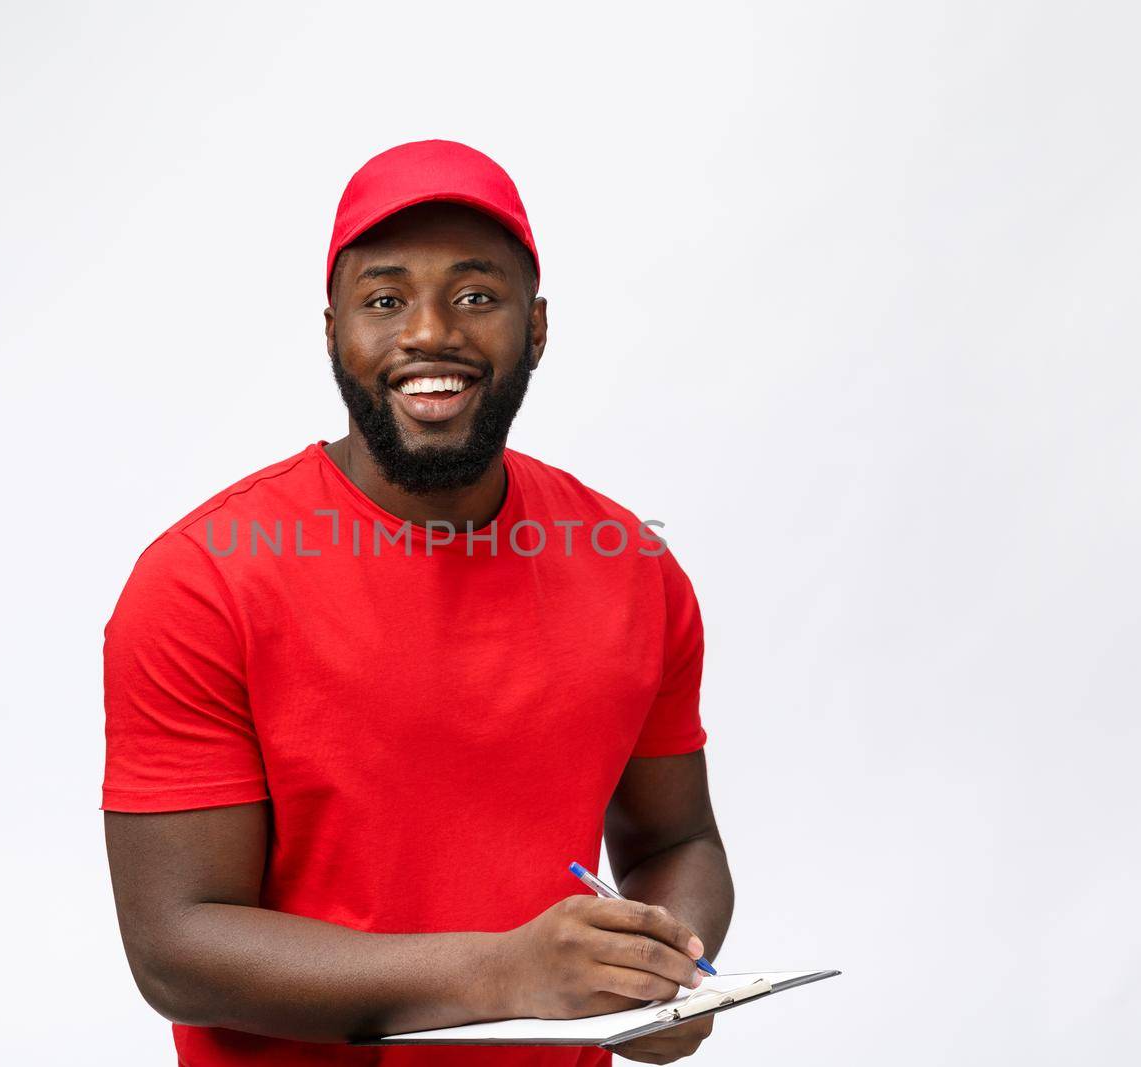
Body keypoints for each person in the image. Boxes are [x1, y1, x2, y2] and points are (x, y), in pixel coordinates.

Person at [102, 139, 734, 1066]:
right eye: (385, 299)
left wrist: (664, 963)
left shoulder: (632, 565)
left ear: (538, 327)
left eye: (476, 296)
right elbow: (175, 946)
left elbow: (676, 836)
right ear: (332, 332)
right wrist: (504, 975)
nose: (430, 332)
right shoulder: (201, 580)